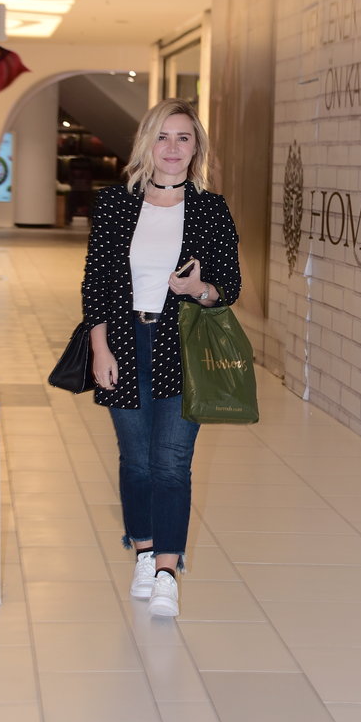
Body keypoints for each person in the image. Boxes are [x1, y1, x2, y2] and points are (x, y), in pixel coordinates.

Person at [81, 98, 241, 617]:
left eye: (183, 138)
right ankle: (145, 552)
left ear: (196, 148)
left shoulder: (211, 209)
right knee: (136, 460)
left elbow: (229, 287)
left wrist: (200, 289)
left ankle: (168, 571)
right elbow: (96, 284)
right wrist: (99, 346)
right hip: (125, 341)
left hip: (183, 345)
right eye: (163, 137)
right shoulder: (115, 204)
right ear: (147, 143)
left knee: (171, 462)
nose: (172, 148)